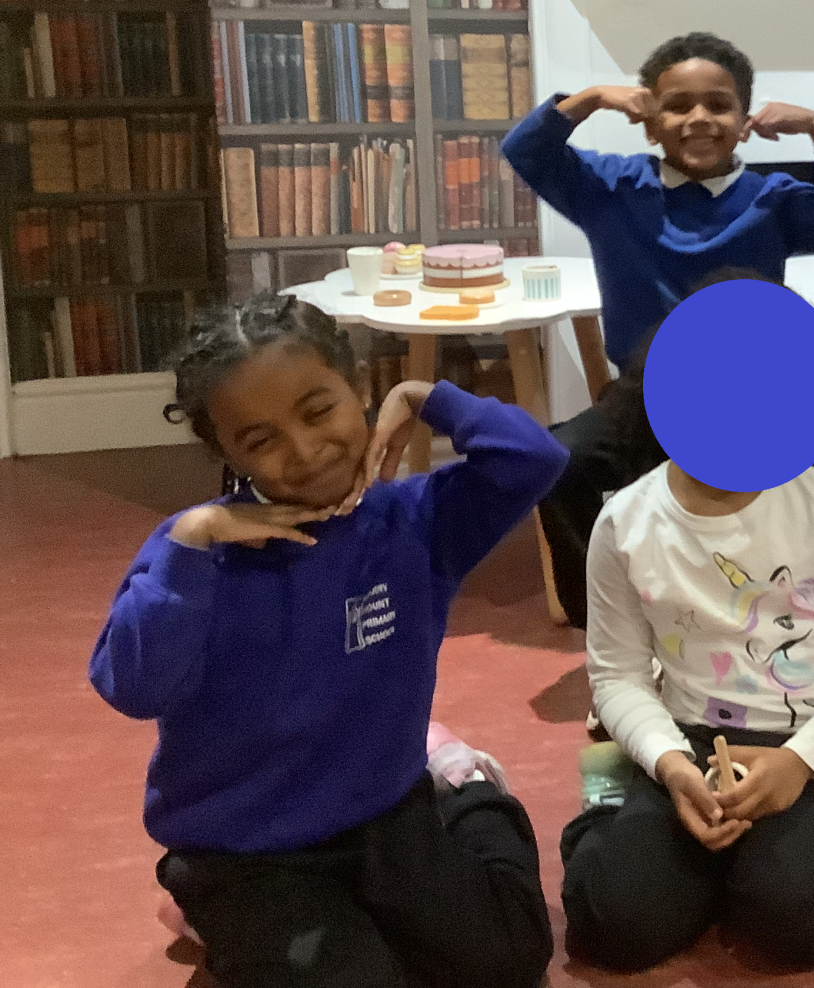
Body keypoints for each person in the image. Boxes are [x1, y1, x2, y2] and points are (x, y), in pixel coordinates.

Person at [90, 293, 567, 988]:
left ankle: (464, 788)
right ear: (227, 451)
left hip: (385, 810)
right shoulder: (194, 555)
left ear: (360, 389)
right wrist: (193, 537)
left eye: (318, 412)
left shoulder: (413, 521)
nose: (304, 450)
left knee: (507, 960)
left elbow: (533, 457)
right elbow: (133, 687)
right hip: (246, 852)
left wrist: (425, 395)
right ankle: (212, 911)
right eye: (261, 441)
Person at [502, 30, 814, 627]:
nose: (699, 118)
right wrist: (592, 98)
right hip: (644, 397)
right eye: (677, 106)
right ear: (650, 123)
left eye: (719, 105)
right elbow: (525, 150)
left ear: (744, 122)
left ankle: (750, 620)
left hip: (746, 401)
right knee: (559, 461)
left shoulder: (771, 198)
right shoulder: (612, 188)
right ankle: (604, 624)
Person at [559, 330, 814, 971]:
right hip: (689, 739)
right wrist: (670, 766)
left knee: (787, 922)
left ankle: (744, 865)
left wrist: (800, 761)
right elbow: (617, 675)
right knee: (612, 921)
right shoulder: (625, 523)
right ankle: (614, 806)